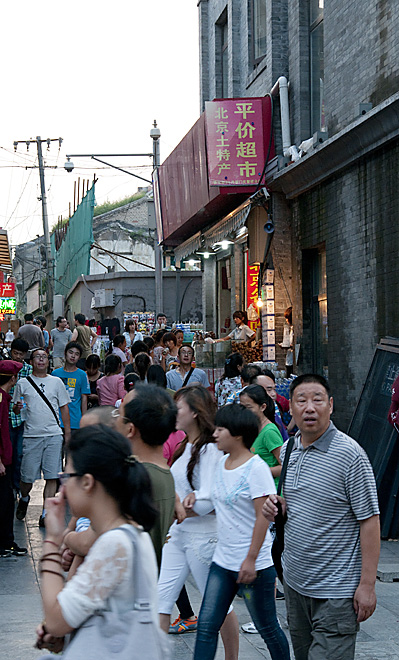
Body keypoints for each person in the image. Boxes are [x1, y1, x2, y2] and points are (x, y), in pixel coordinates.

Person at [263, 374, 380, 660]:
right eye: (301, 401)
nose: (309, 408)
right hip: (296, 583)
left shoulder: (350, 455)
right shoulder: (291, 448)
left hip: (337, 592)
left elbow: (370, 521)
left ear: (331, 405)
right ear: (289, 407)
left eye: (317, 400)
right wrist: (278, 505)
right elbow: (297, 502)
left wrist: (367, 585)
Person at [34, 425, 161, 656]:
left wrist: (52, 541)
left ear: (87, 482)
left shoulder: (115, 544)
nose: (63, 488)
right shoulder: (131, 533)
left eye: (66, 476)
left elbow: (55, 620)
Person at [191, 404, 290, 660]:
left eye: (221, 429)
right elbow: (217, 502)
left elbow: (263, 518)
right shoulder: (222, 463)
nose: (215, 434)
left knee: (267, 627)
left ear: (236, 434)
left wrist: (251, 559)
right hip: (222, 562)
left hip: (254, 566)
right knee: (206, 626)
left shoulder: (256, 469)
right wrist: (194, 499)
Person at [158, 386, 239, 655]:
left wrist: (179, 507)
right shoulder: (184, 446)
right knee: (161, 598)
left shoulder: (211, 449)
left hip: (205, 538)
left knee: (219, 606)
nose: (172, 412)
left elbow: (211, 500)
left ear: (194, 413)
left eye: (177, 407)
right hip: (178, 534)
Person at [114, 384, 177, 569]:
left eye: (119, 415)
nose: (115, 421)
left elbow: (94, 541)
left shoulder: (133, 477)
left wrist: (66, 539)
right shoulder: (164, 473)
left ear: (131, 430)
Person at [13, 348, 71, 527]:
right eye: (37, 357)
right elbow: (16, 408)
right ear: (31, 362)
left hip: (54, 434)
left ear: (48, 361)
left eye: (44, 357)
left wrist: (67, 433)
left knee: (52, 476)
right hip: (31, 435)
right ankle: (24, 497)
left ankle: (46, 513)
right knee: (27, 477)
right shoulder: (23, 383)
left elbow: (64, 408)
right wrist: (17, 407)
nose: (41, 360)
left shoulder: (57, 382)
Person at [0, 359, 28, 557]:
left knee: (7, 500)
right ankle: (5, 543)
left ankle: (7, 542)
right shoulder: (1, 400)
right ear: (13, 378)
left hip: (5, 459)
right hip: (2, 461)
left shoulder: (4, 399)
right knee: (5, 501)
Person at [239, 384, 283, 488]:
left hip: (270, 491)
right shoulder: (251, 428)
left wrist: (259, 472)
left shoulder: (269, 432)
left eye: (248, 407)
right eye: (242, 407)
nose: (243, 411)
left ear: (262, 407)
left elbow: (285, 467)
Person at [7, 338, 33, 493]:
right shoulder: (5, 368)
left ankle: (16, 485)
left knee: (19, 454)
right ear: (11, 352)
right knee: (8, 453)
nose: (17, 357)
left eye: (20, 354)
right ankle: (9, 484)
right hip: (7, 417)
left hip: (23, 418)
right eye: (15, 353)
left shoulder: (29, 370)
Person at [52, 342, 91, 432]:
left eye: (76, 354)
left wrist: (84, 421)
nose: (73, 356)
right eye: (70, 352)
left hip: (75, 421)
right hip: (57, 420)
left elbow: (84, 399)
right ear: (65, 353)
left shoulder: (82, 375)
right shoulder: (55, 374)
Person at [251, 372, 290, 441]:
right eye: (269, 390)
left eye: (274, 389)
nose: (274, 394)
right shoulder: (244, 418)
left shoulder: (275, 416)